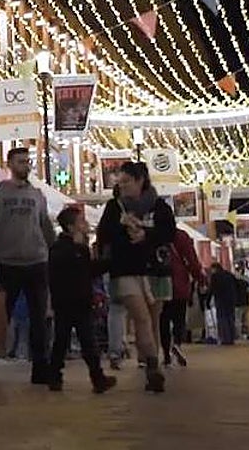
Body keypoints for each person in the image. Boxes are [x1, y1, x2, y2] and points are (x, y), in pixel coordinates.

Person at [0, 146, 55, 383]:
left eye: (28, 161)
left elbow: (46, 227)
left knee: (39, 318)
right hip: (8, 264)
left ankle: (40, 368)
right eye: (21, 162)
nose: (26, 165)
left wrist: (56, 250)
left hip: (37, 262)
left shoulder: (37, 195)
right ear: (10, 165)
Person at [95, 161, 176, 393]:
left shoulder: (158, 206)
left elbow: (169, 232)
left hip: (154, 269)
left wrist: (146, 234)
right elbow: (104, 235)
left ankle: (151, 360)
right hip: (126, 270)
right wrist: (123, 230)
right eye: (119, 183)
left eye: (127, 182)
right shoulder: (114, 207)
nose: (122, 187)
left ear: (140, 180)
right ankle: (152, 367)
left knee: (153, 320)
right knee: (141, 317)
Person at [46, 207, 115, 394]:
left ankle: (93, 377)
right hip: (69, 301)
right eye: (81, 221)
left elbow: (89, 270)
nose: (85, 225)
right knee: (66, 340)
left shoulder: (77, 248)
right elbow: (75, 271)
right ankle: (58, 376)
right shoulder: (61, 249)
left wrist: (107, 263)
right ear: (71, 227)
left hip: (79, 301)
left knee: (81, 340)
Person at [161, 226, 204, 367]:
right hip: (179, 284)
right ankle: (177, 344)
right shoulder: (181, 236)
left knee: (163, 321)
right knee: (179, 319)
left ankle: (166, 354)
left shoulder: (155, 234)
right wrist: (201, 278)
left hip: (161, 284)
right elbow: (192, 260)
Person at [209, 263, 237, 346]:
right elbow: (236, 285)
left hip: (221, 299)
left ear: (215, 268)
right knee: (230, 318)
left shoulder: (215, 276)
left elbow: (211, 289)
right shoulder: (229, 275)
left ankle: (225, 338)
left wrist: (208, 301)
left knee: (222, 319)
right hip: (231, 299)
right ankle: (231, 338)